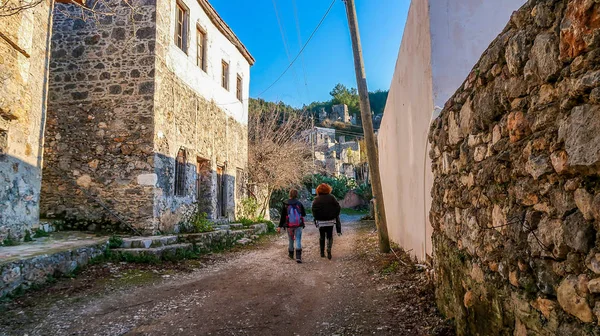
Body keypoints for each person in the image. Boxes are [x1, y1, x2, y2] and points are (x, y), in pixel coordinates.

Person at [311, 183, 341, 260]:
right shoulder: (332, 197)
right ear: (328, 189)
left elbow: (313, 210)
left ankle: (322, 252)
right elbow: (338, 207)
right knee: (329, 235)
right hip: (330, 221)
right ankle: (329, 249)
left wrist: (316, 217)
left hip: (321, 221)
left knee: (321, 236)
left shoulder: (316, 199)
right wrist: (334, 215)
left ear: (318, 190)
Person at [278, 189, 306, 263]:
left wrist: (279, 226)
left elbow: (283, 216)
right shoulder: (299, 203)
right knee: (298, 239)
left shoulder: (285, 203)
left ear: (289, 194)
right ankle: (298, 257)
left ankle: (291, 254)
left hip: (289, 225)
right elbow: (303, 214)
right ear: (297, 194)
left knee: (290, 239)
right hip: (298, 224)